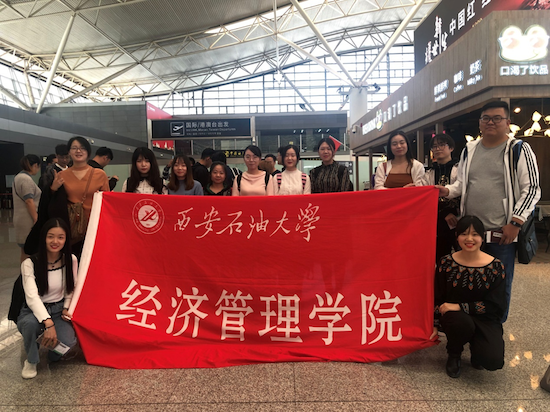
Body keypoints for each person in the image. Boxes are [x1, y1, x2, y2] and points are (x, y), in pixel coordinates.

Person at [437, 101, 540, 322]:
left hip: (501, 234)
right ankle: (471, 327)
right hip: (471, 235)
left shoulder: (518, 149)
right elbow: (462, 184)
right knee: (468, 283)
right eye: (486, 118)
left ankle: (493, 330)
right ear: (480, 122)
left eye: (497, 118)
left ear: (507, 122)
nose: (490, 122)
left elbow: (532, 188)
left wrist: (516, 222)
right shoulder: (470, 149)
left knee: (498, 287)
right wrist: (447, 191)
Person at [432, 216, 506, 378]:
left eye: (475, 234)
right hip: (455, 318)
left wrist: (461, 306)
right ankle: (454, 353)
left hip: (485, 318)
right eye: (464, 234)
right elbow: (437, 296)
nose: (469, 239)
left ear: (482, 237)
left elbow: (496, 305)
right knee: (461, 323)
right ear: (457, 236)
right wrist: (434, 324)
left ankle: (477, 348)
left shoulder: (495, 267)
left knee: (492, 360)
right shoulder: (446, 263)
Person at [17, 218, 78, 379]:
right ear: (43, 237)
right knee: (30, 325)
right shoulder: (30, 263)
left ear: (66, 239)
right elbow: (32, 297)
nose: (55, 241)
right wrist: (48, 323)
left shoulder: (70, 260)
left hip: (58, 309)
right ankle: (31, 360)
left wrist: (66, 307)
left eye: (60, 237)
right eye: (50, 236)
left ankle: (51, 354)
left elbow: (71, 288)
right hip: (33, 310)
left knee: (68, 342)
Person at [418, 134, 460, 261]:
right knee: (440, 257)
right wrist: (444, 213)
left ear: (451, 148)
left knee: (462, 255)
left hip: (459, 217)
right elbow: (425, 197)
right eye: (434, 146)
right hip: (438, 219)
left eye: (442, 145)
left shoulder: (460, 169)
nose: (438, 149)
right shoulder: (429, 173)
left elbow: (462, 190)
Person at [13, 155, 42, 262]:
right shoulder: (25, 179)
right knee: (28, 250)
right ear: (35, 165)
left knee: (25, 251)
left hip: (21, 218)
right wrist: (36, 219)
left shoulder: (18, 177)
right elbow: (29, 201)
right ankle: (26, 271)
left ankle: (24, 271)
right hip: (27, 219)